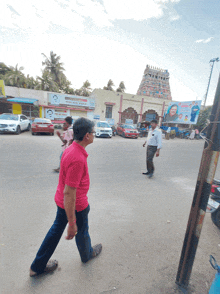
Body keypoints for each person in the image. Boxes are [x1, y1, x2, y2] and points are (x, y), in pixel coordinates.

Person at [30, 117, 102, 277]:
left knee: (55, 231)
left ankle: (37, 266)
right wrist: (71, 222)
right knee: (82, 230)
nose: (94, 135)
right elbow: (69, 193)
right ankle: (87, 255)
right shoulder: (77, 158)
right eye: (93, 132)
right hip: (75, 204)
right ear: (87, 136)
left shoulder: (70, 148)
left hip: (62, 202)